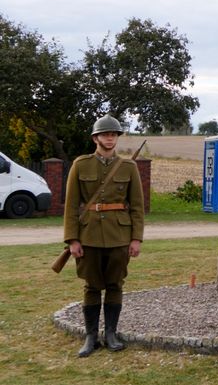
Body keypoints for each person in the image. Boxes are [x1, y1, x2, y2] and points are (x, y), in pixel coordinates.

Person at [62, 115, 145, 358]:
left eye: (114, 134)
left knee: (115, 284)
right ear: (95, 138)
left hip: (120, 235)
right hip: (88, 235)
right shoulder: (81, 164)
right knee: (91, 286)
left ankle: (111, 333)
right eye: (105, 134)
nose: (110, 138)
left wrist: (136, 238)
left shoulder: (129, 167)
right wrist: (72, 240)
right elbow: (71, 206)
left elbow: (138, 207)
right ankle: (91, 336)